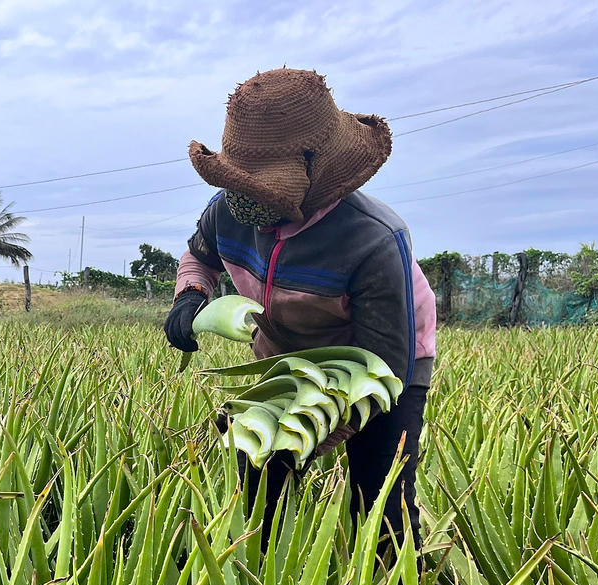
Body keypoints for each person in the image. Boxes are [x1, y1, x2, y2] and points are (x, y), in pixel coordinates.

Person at [164, 68, 436, 550]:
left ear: (317, 176)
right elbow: (199, 257)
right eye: (239, 182)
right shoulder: (227, 211)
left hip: (384, 361)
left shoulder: (373, 238)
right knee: (260, 480)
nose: (244, 199)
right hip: (285, 354)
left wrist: (308, 428)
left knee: (380, 497)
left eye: (262, 188)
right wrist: (190, 295)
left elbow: (382, 368)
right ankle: (263, 583)